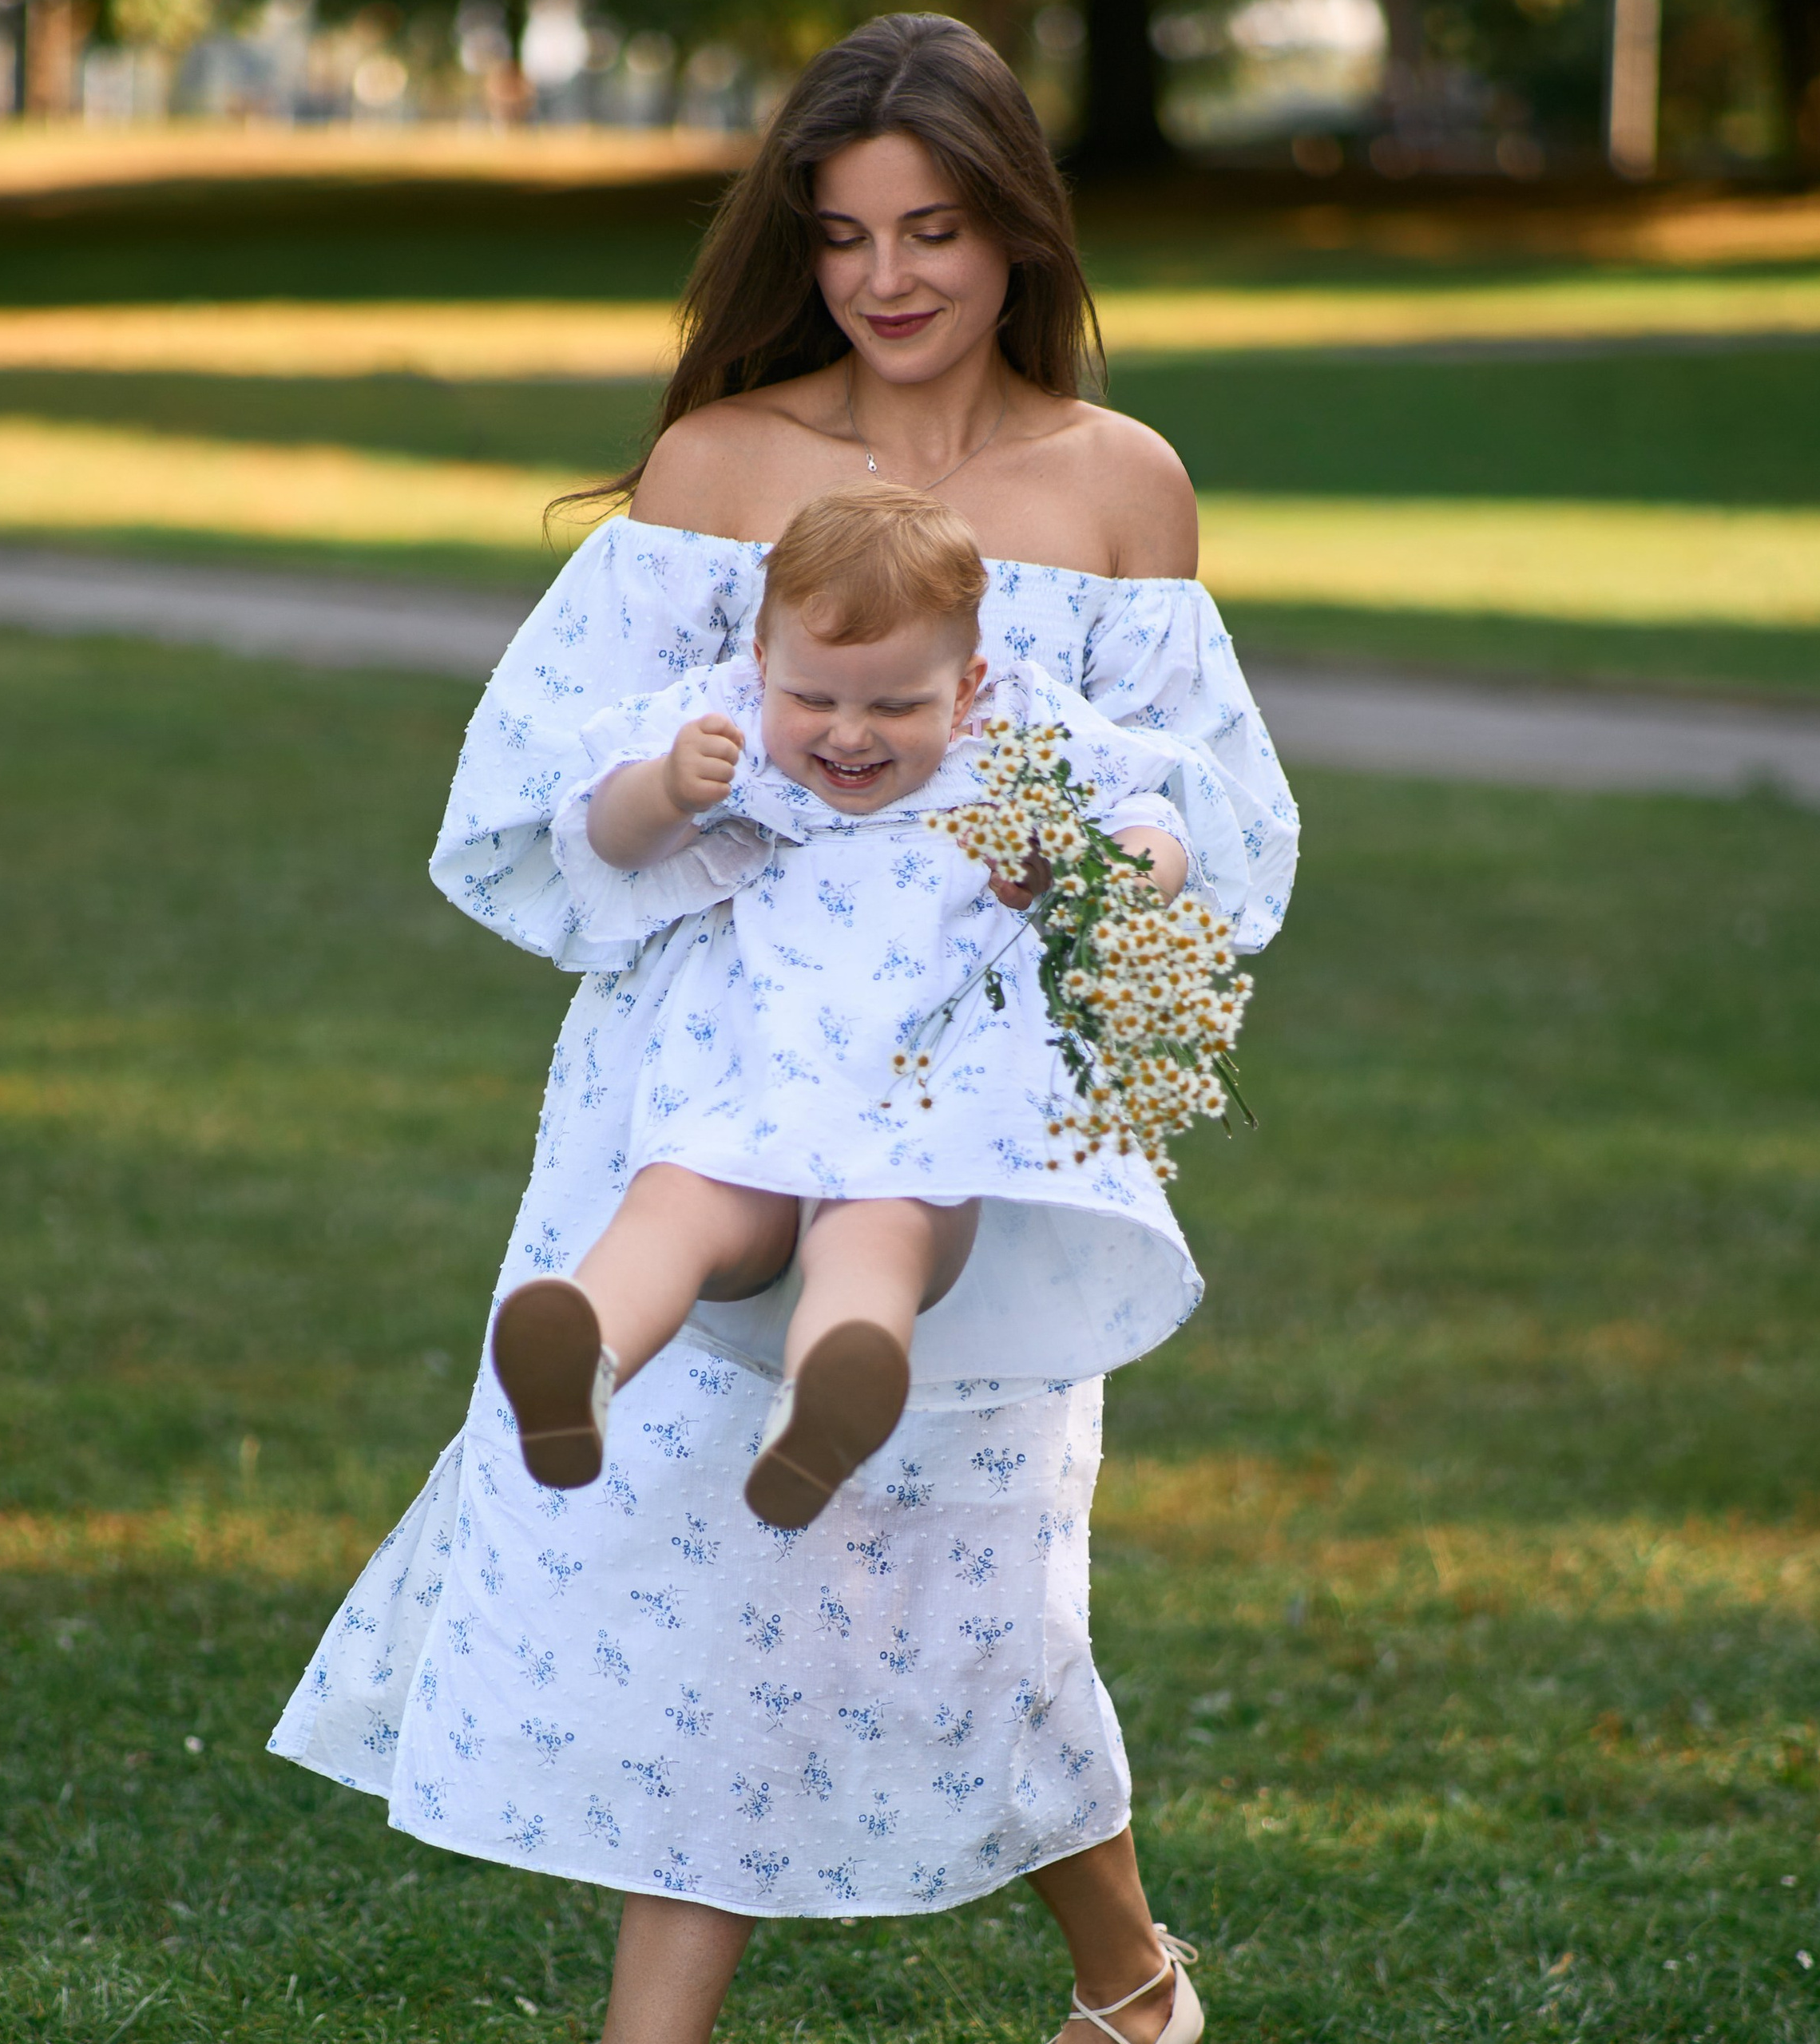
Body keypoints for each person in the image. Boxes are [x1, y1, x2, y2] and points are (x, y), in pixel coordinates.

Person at [270, 17, 1299, 2044]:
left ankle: (1131, 1983)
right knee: (692, 1549)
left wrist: (1070, 887)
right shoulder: (720, 466)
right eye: (839, 237)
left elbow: (1191, 819)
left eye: (932, 229)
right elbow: (561, 776)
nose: (887, 279)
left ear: (1017, 229)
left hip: (970, 1109)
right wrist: (706, 776)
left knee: (959, 1580)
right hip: (707, 1091)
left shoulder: (1121, 487)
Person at [492, 480, 1200, 1533]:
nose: (850, 736)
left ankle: (830, 1397)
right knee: (673, 1208)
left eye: (897, 707)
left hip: (922, 1107)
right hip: (749, 1080)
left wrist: (1093, 872)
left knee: (875, 1239)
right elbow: (600, 841)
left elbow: (1158, 826)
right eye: (815, 701)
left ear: (968, 689)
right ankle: (581, 1353)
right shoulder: (719, 723)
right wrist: (664, 791)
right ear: (765, 666)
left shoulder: (1020, 739)